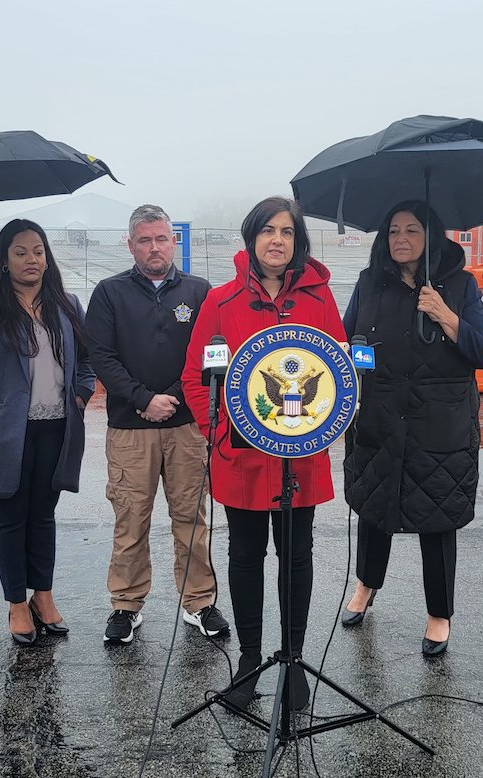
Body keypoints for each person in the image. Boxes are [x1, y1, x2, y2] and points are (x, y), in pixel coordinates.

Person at [182, 196, 347, 710]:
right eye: (268, 230)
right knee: (246, 556)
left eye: (288, 232)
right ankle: (250, 661)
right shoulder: (222, 301)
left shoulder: (320, 300)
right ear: (251, 238)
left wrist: (327, 422)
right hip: (241, 457)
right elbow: (194, 375)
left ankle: (293, 661)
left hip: (301, 458)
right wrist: (221, 431)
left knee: (297, 557)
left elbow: (338, 375)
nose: (278, 240)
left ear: (298, 243)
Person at [341, 200, 483, 656]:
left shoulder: (460, 286)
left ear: (431, 235)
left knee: (437, 518)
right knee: (375, 509)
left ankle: (438, 613)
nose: (401, 239)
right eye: (393, 231)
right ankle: (366, 586)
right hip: (380, 414)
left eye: (411, 229)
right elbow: (345, 335)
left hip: (440, 420)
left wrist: (446, 315)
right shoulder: (371, 282)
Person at [85, 204, 229, 645]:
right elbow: (101, 357)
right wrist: (144, 399)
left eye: (161, 238)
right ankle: (126, 606)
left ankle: (200, 602)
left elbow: (212, 353)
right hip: (130, 428)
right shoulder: (109, 294)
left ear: (174, 241)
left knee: (191, 517)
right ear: (130, 245)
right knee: (131, 520)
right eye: (144, 240)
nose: (154, 247)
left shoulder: (201, 291)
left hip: (187, 426)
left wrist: (177, 397)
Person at [0, 219, 95, 647]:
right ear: (4, 260)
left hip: (55, 427)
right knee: (10, 518)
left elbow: (85, 359)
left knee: (43, 515)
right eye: (20, 252)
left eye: (38, 251)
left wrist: (82, 394)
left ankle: (43, 597)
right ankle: (16, 603)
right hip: (3, 430)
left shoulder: (65, 304)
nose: (31, 260)